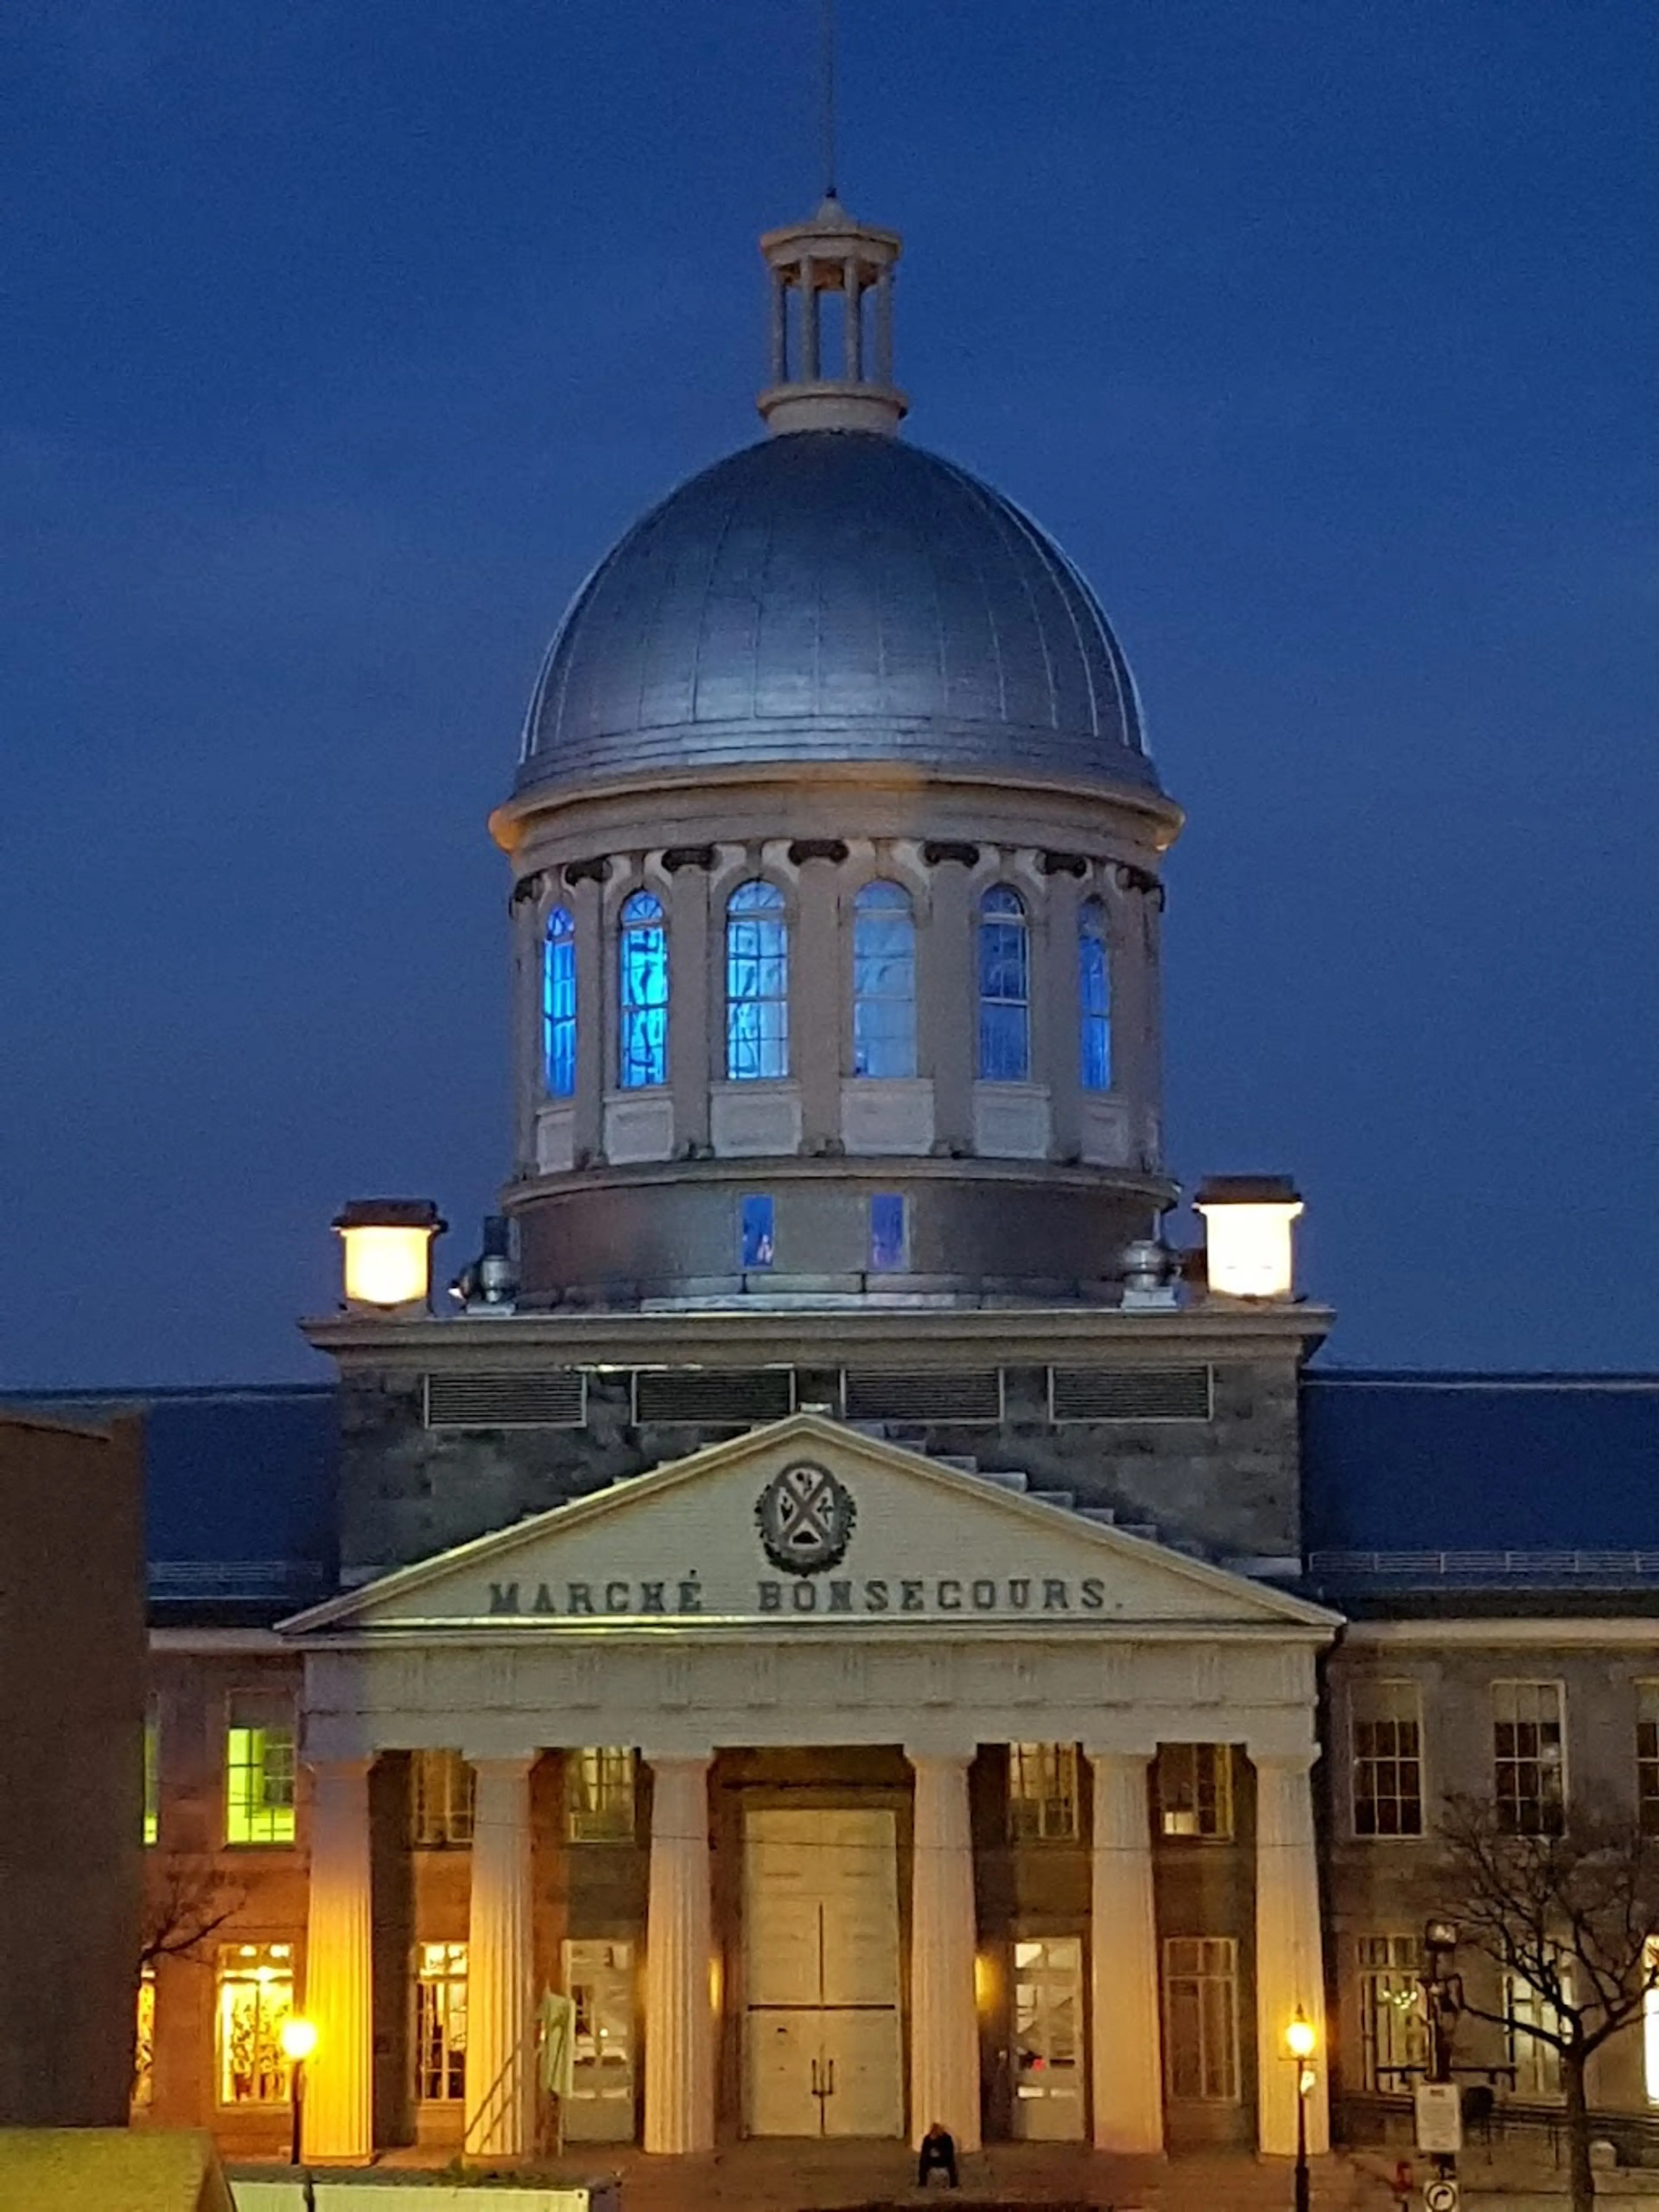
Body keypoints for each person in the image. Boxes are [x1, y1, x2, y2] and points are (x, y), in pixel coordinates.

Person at [917, 2119, 960, 2189]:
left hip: (944, 2159)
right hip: (932, 2159)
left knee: (951, 2164)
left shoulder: (947, 2139)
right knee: (923, 2161)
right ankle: (922, 2183)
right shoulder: (927, 2139)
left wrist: (940, 2154)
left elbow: (950, 2154)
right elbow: (924, 2153)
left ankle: (954, 2183)